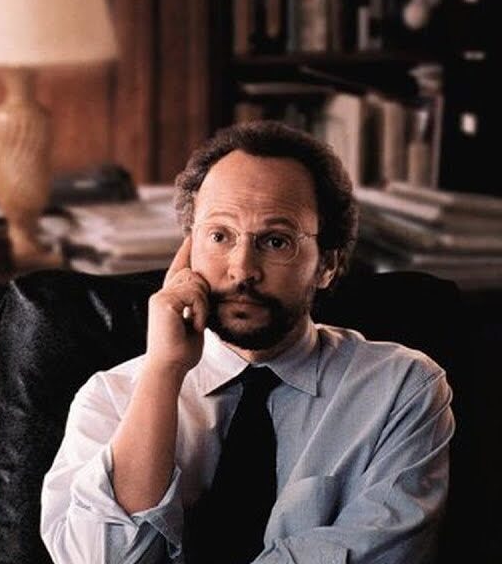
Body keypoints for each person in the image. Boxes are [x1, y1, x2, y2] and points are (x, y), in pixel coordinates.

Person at [39, 121, 454, 564]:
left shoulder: (401, 390)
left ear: (327, 265)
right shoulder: (111, 398)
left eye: (276, 241)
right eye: (219, 236)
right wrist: (163, 371)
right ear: (188, 252)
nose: (242, 269)